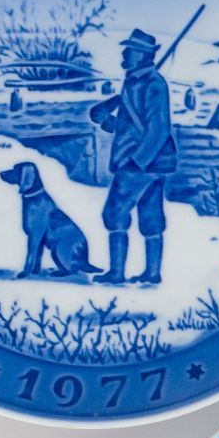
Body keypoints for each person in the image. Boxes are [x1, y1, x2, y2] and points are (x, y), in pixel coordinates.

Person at [89, 28, 177, 284]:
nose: (124, 54)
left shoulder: (153, 84)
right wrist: (108, 120)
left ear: (142, 54)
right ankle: (152, 273)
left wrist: (137, 163)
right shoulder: (135, 82)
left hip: (141, 162)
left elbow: (159, 129)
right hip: (152, 162)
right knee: (150, 215)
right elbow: (131, 126)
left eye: (129, 50)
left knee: (114, 213)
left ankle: (117, 273)